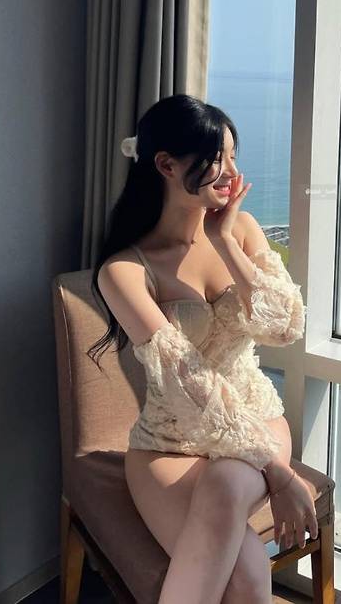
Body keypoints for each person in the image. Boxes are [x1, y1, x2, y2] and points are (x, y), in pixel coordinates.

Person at [91, 95, 318, 604]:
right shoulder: (124, 271)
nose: (231, 173)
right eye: (216, 159)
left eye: (234, 156)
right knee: (246, 574)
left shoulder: (242, 229)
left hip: (257, 420)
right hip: (169, 445)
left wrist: (226, 242)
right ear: (166, 165)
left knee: (227, 483)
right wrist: (279, 474)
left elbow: (285, 326)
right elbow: (185, 379)